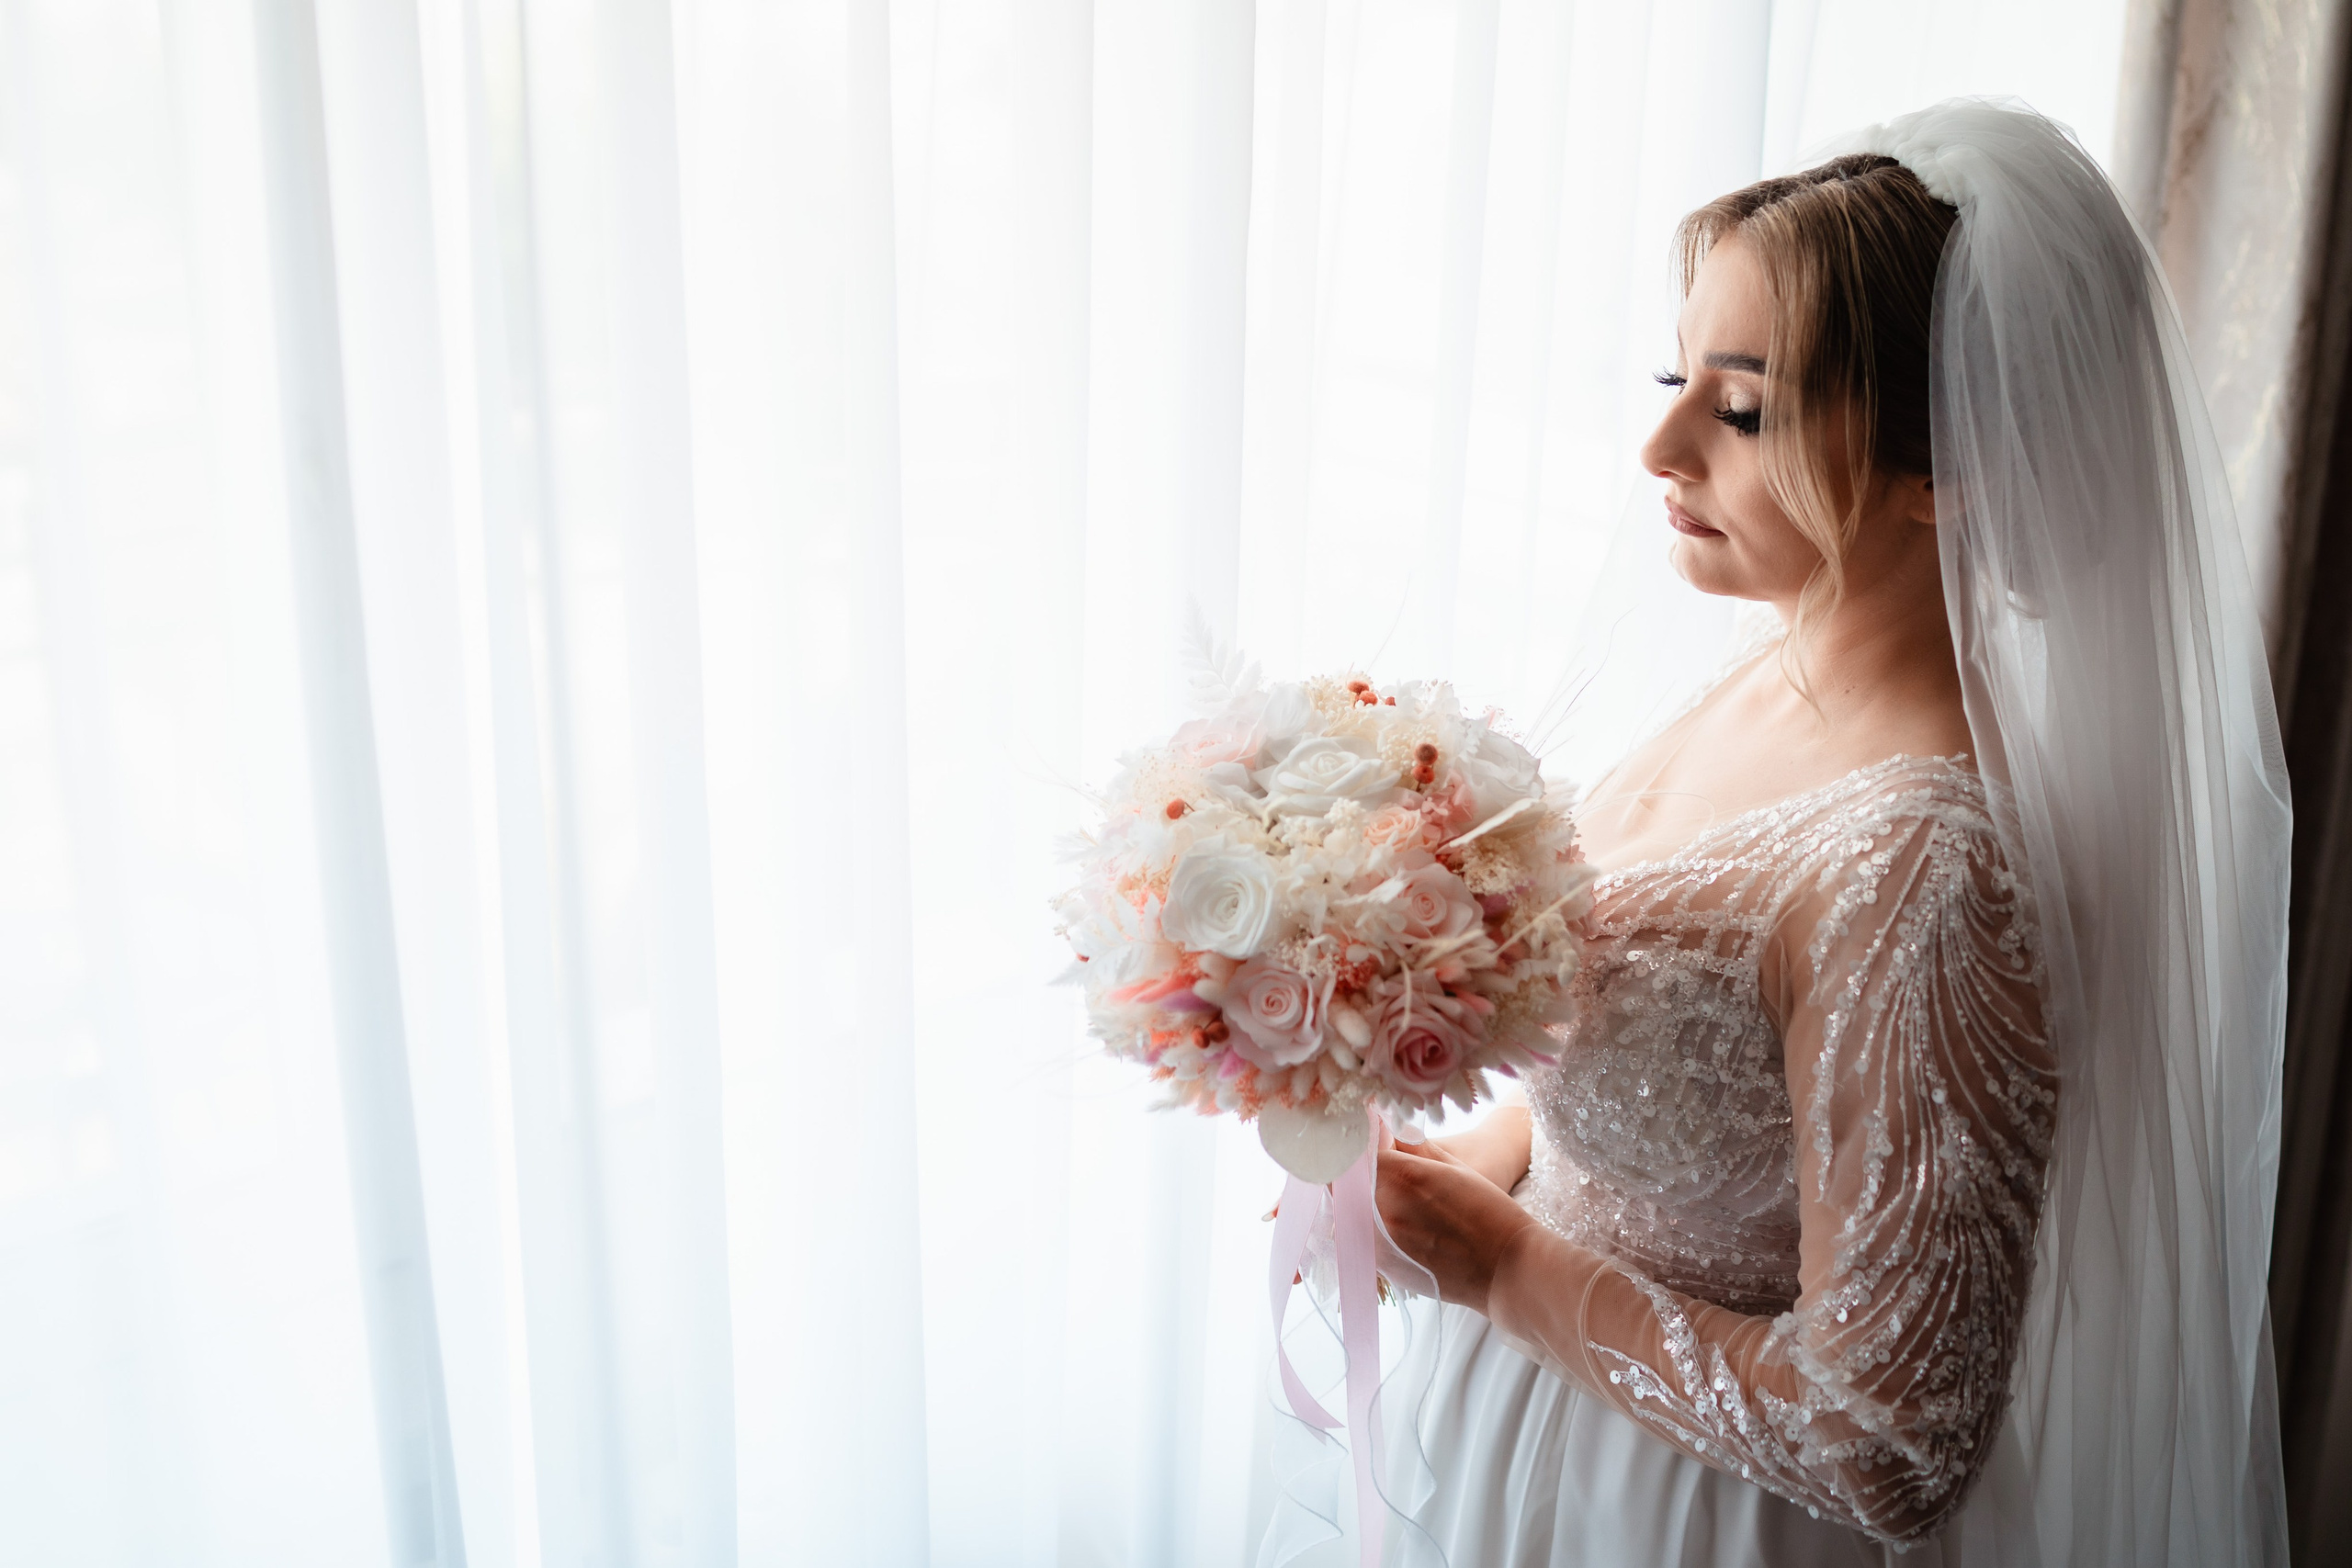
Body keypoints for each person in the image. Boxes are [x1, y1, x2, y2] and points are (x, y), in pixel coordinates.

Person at [1273, 100, 2291, 1567]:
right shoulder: (1766, 667)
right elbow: (1648, 1126)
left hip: (1692, 1517)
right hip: (1538, 1430)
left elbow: (1883, 1440)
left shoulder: (1926, 867)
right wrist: (1454, 1180)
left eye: (1740, 409)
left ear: (1955, 471)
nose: (1659, 445)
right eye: (1673, 377)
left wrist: (1496, 1267)